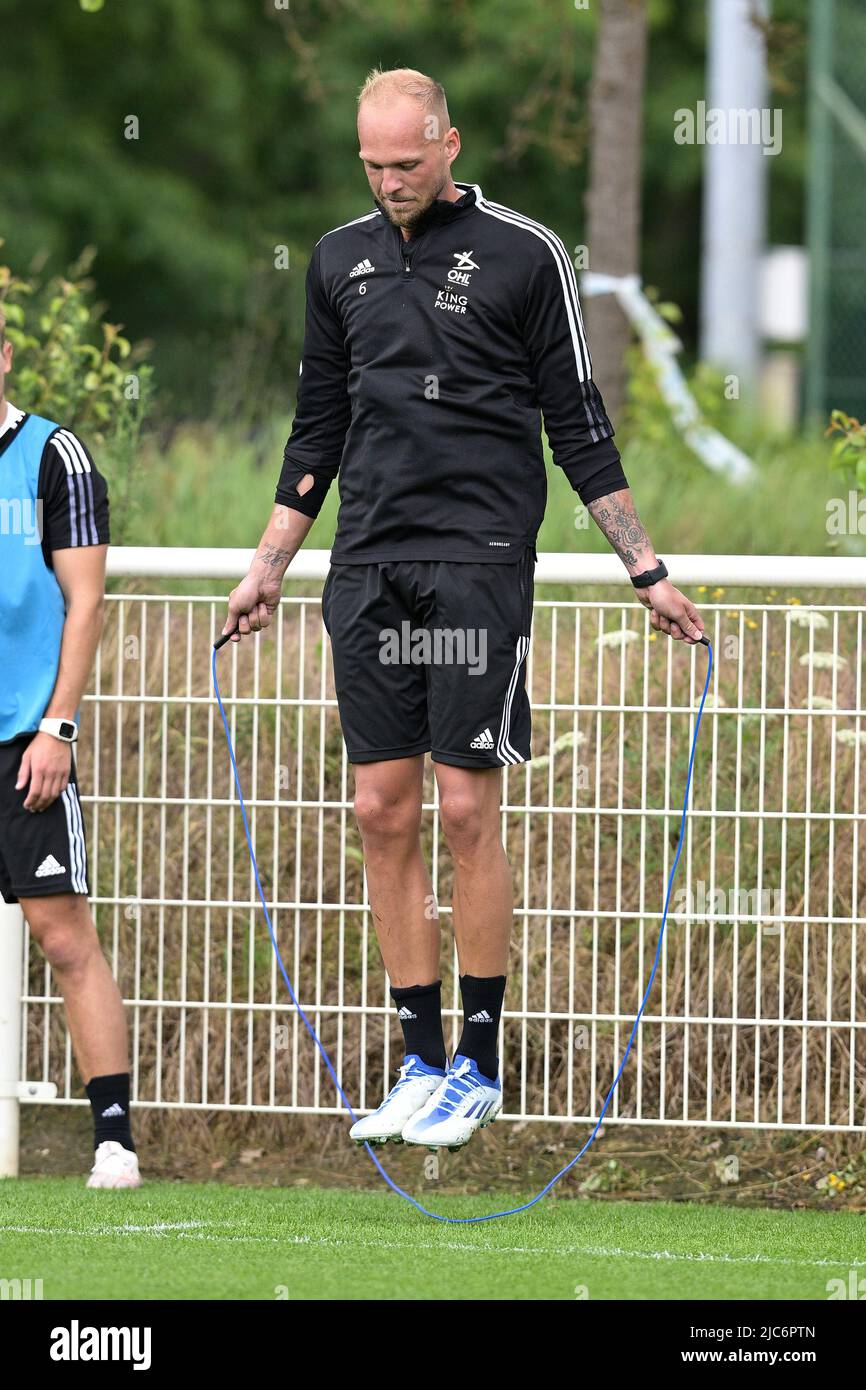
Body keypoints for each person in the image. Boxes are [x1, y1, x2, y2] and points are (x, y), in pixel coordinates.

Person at [222, 67, 704, 1151]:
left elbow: (575, 421)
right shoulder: (336, 260)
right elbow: (314, 430)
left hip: (477, 561)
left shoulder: (526, 254)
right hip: (368, 562)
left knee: (461, 808)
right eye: (372, 165)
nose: (390, 181)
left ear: (448, 143)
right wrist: (268, 565)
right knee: (380, 811)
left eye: (407, 161)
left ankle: (479, 1065)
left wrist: (645, 568)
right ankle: (418, 1061)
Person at [0, 310, 140, 1187]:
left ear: (5, 355)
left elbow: (83, 603)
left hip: (24, 734)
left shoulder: (54, 456)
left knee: (61, 933)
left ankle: (114, 1138)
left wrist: (58, 728)